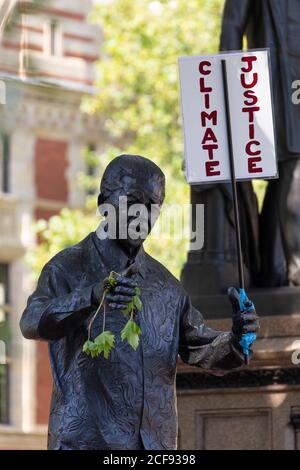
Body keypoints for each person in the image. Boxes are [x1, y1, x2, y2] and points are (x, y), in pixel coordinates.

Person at [20, 154, 259, 450]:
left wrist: (237, 338)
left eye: (153, 205)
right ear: (103, 203)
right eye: (132, 200)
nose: (143, 214)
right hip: (86, 443)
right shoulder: (68, 267)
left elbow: (201, 349)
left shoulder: (167, 286)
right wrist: (90, 298)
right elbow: (32, 321)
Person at [220, 0, 300, 287]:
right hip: (274, 77)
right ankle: (295, 265)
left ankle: (272, 268)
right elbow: (232, 25)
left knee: (287, 178)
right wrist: (227, 83)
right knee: (294, 166)